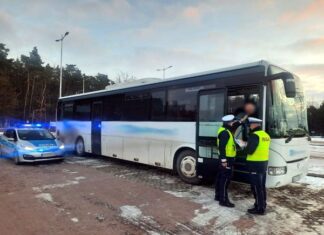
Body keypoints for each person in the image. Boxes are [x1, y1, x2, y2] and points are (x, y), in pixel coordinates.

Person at [245, 117, 271, 215]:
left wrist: (244, 146)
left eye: (250, 125)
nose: (250, 127)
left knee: (256, 187)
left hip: (254, 164)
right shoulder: (265, 135)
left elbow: (250, 151)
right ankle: (262, 204)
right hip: (263, 163)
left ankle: (260, 208)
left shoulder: (254, 135)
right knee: (261, 186)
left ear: (254, 125)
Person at [215, 114, 239, 207]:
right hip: (227, 159)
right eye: (233, 122)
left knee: (220, 177)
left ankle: (218, 196)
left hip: (226, 158)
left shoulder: (225, 130)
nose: (233, 123)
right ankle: (223, 200)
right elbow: (222, 147)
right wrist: (224, 161)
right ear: (230, 122)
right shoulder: (225, 133)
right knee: (225, 180)